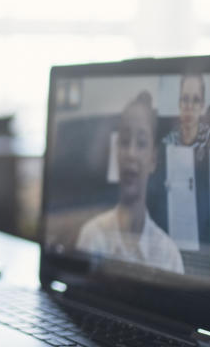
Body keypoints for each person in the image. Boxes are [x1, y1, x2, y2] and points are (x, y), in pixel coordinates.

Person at [76, 91, 184, 274]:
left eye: (141, 143)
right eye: (124, 142)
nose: (131, 154)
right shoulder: (92, 237)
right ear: (116, 151)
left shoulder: (169, 256)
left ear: (153, 159)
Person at [162, 72, 210, 153]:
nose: (189, 107)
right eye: (185, 98)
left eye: (196, 100)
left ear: (202, 106)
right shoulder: (170, 140)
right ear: (179, 104)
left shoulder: (209, 136)